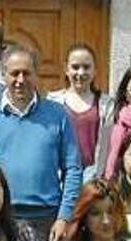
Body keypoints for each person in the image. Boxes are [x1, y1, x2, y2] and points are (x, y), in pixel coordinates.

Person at [0, 45, 82, 241]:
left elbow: (73, 169)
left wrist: (64, 217)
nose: (20, 80)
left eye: (26, 73)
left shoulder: (58, 115)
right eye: (14, 73)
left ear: (36, 75)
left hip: (47, 220)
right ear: (3, 75)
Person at [47, 43, 116, 182]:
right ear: (66, 69)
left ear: (95, 70)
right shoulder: (52, 102)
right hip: (60, 180)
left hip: (94, 181)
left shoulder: (107, 105)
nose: (81, 73)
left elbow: (109, 146)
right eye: (75, 67)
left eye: (86, 67)